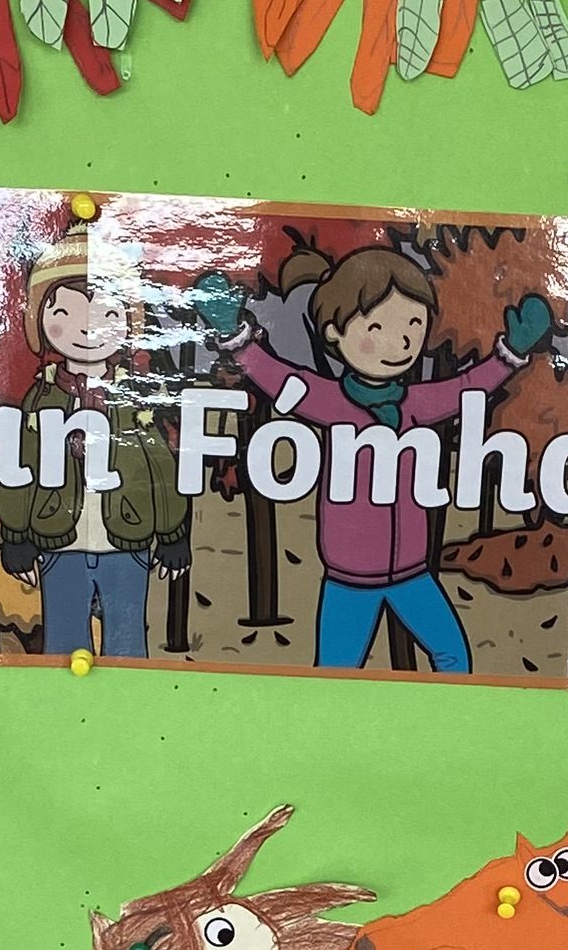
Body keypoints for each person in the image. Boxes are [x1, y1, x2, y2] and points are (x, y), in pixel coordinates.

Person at [224, 243, 550, 674]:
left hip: (413, 575)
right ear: (334, 333)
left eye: (414, 323)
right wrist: (237, 340)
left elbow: (467, 388)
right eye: (376, 326)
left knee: (454, 658)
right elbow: (279, 379)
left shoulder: (416, 403)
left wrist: (509, 356)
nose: (400, 341)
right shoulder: (329, 400)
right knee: (334, 674)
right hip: (349, 580)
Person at [15, 233, 185, 661]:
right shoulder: (41, 399)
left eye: (108, 313)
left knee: (128, 647)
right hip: (59, 540)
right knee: (62, 644)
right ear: (40, 319)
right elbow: (21, 467)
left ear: (128, 323)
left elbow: (160, 467)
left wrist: (172, 533)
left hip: (126, 539)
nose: (87, 328)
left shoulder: (136, 399)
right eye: (65, 312)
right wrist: (16, 535)